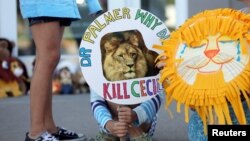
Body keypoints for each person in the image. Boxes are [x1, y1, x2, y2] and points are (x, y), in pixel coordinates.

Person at [19, 0, 102, 140]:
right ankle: (36, 132)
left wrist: (93, 4)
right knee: (47, 58)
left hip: (61, 4)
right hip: (46, 4)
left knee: (48, 58)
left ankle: (49, 128)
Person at [90, 90, 163, 141]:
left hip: (142, 125)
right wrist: (108, 123)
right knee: (113, 86)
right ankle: (112, 133)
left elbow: (157, 95)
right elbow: (96, 101)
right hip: (110, 125)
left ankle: (136, 132)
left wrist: (137, 114)